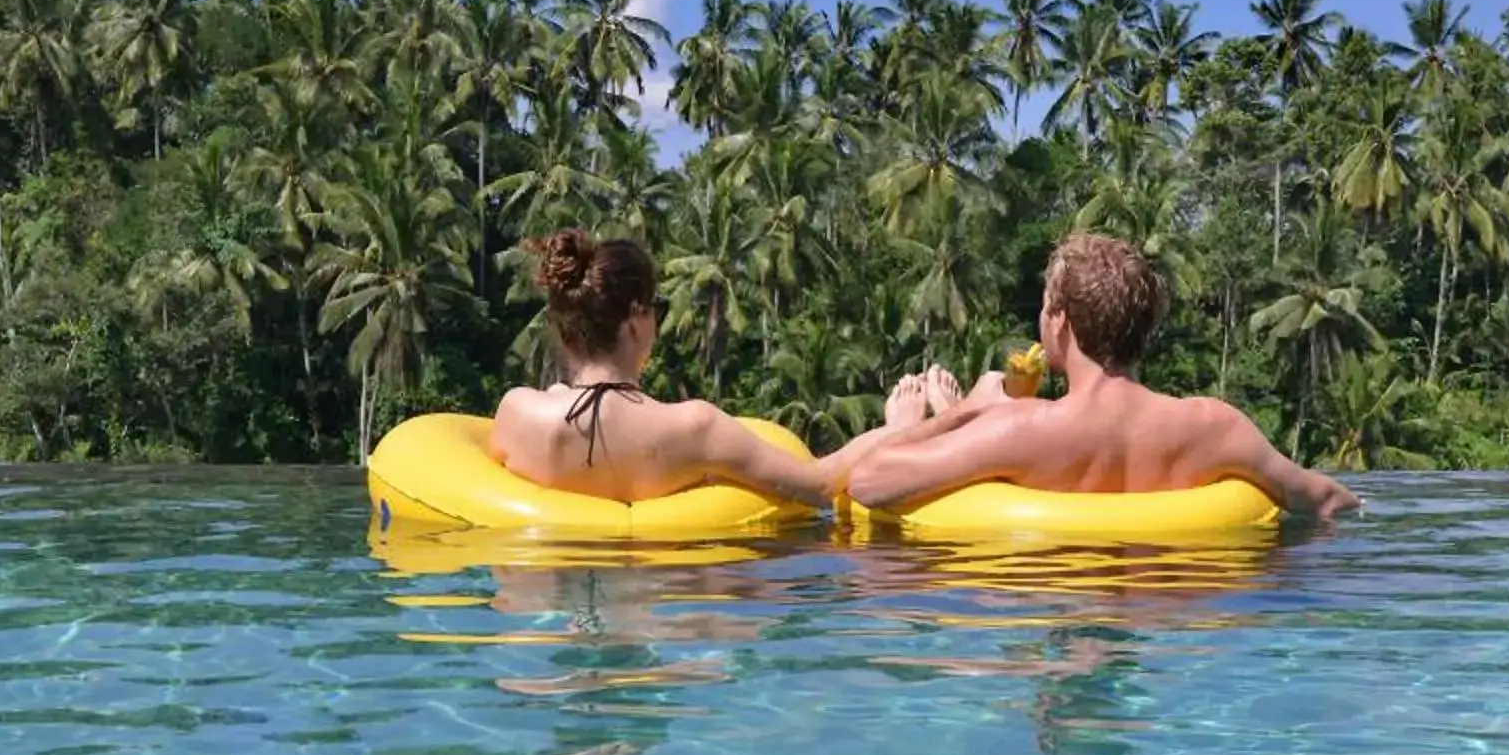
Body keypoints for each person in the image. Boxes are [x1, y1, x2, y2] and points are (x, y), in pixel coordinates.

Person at [845, 232, 1363, 518]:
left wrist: (965, 412)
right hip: (1164, 628)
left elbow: (867, 482)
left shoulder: (1022, 428)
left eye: (1047, 307)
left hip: (1047, 611)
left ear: (1061, 322)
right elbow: (1325, 499)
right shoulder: (1213, 426)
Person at [490, 229, 933, 506]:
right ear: (636, 318)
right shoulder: (694, 427)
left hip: (543, 633)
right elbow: (819, 485)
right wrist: (898, 427)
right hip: (664, 625)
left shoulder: (516, 413)